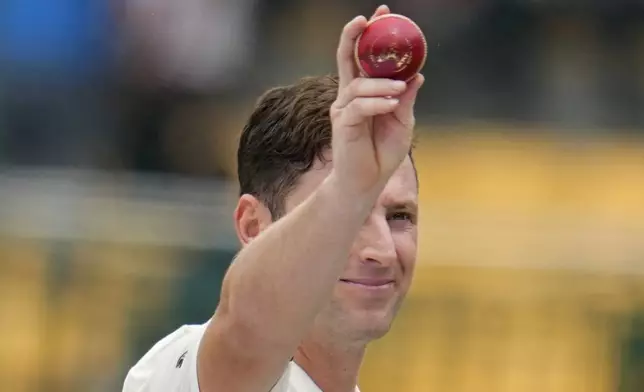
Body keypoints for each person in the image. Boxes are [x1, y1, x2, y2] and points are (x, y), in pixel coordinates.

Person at [121, 5, 424, 392]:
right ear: (253, 226)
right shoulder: (186, 370)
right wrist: (348, 187)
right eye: (349, 218)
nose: (382, 251)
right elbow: (245, 329)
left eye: (399, 216)